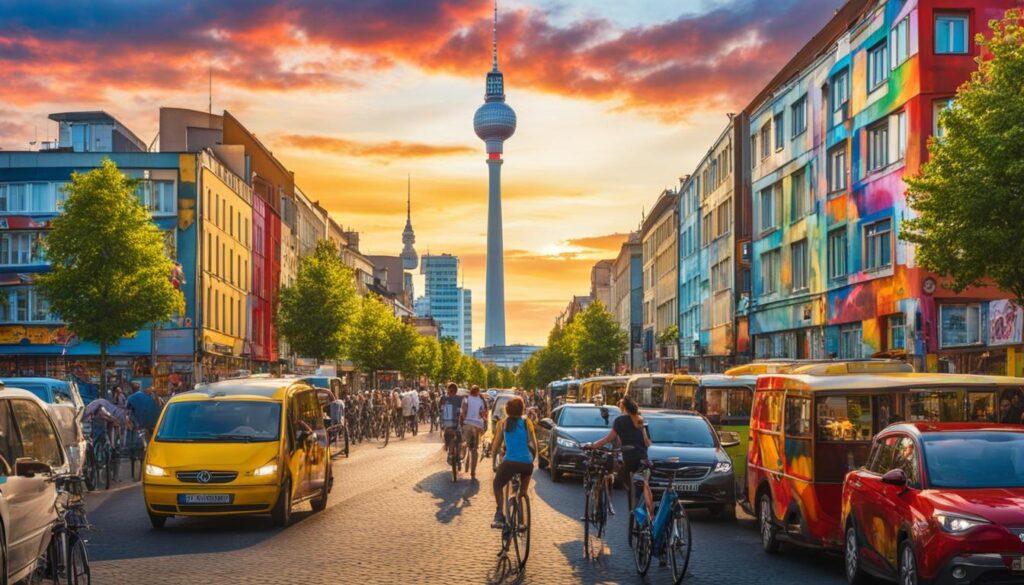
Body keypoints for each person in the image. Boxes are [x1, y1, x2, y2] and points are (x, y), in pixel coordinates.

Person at [584, 395, 654, 520]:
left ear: (624, 408)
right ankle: (650, 515)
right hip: (643, 459)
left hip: (629, 459)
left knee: (626, 484)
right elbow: (648, 444)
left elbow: (608, 439)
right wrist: (642, 430)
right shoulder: (642, 420)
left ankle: (633, 511)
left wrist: (593, 445)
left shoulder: (620, 421)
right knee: (644, 484)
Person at [490, 396, 538, 528]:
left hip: (510, 463)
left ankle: (500, 514)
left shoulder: (502, 423)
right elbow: (534, 445)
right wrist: (531, 461)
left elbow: (495, 446)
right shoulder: (527, 422)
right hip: (527, 464)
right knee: (522, 492)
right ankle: (521, 521)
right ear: (522, 409)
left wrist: (493, 462)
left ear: (507, 410)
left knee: (497, 485)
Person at [461, 385, 489, 480]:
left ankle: (464, 456)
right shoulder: (482, 400)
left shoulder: (466, 399)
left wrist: (462, 422)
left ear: (470, 391)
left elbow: (463, 412)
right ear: (478, 392)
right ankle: (473, 472)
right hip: (478, 425)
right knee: (475, 449)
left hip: (467, 424)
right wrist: (484, 425)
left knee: (466, 443)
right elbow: (485, 414)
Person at [440, 383, 464, 465]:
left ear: (448, 391)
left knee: (449, 436)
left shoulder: (444, 399)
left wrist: (442, 424)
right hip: (457, 423)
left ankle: (450, 453)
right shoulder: (460, 399)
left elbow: (441, 411)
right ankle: (459, 455)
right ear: (456, 391)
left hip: (448, 424)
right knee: (460, 439)